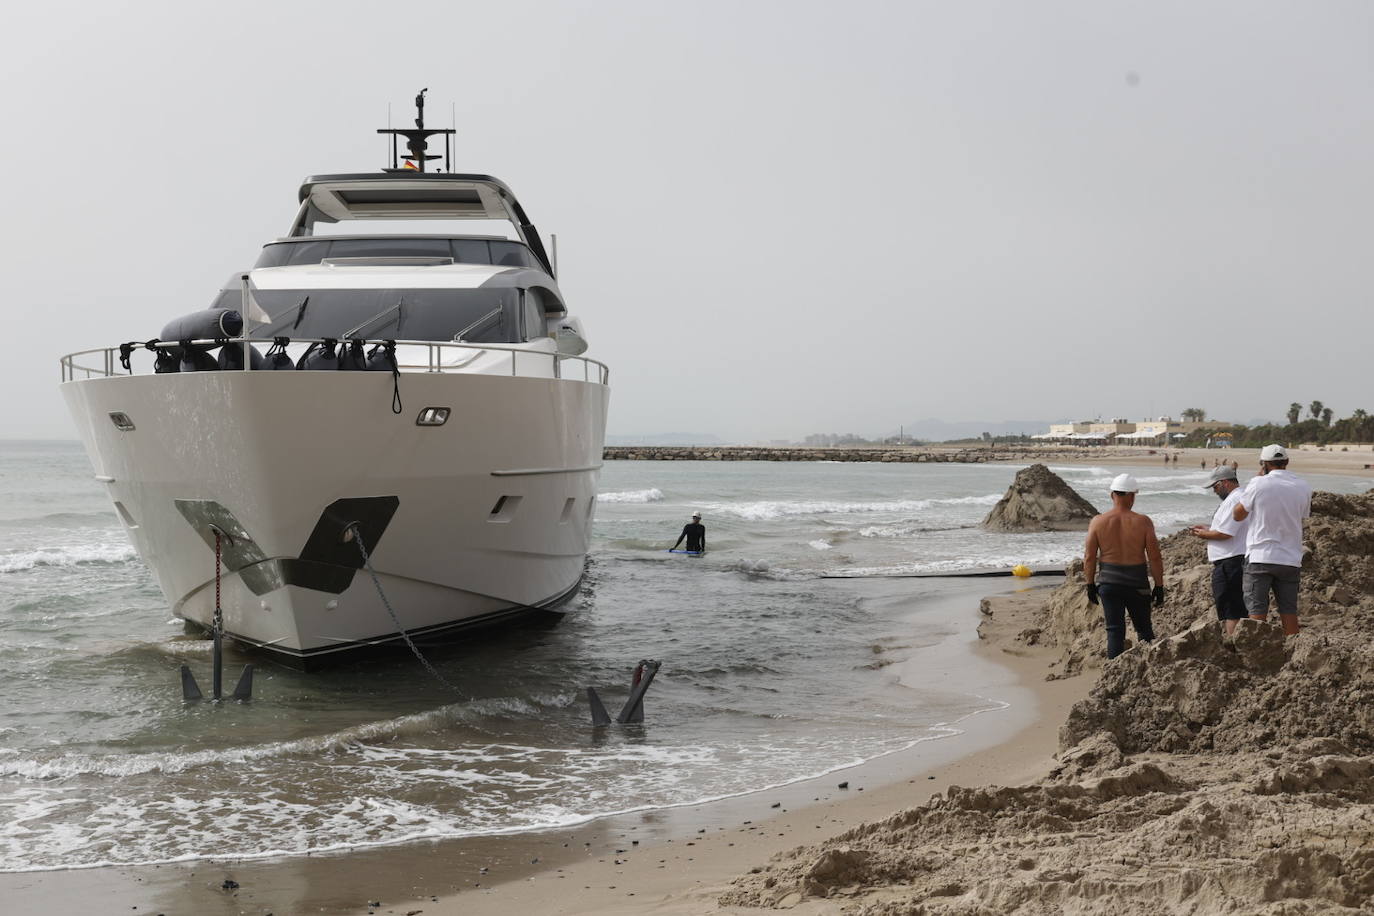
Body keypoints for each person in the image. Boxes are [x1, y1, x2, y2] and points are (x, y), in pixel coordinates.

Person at [1083, 474, 1165, 659]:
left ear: (1112, 495)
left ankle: (1113, 673)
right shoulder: (1143, 522)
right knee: (1144, 630)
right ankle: (1149, 670)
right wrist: (1159, 586)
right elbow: (1154, 557)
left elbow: (1089, 557)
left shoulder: (1098, 521)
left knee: (1114, 631)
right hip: (1137, 585)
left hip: (1109, 585)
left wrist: (1089, 584)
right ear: (1132, 496)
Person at [1233, 444, 1311, 635]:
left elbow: (1238, 515)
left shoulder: (1258, 483)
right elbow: (1302, 514)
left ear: (1264, 464)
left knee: (1257, 613)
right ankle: (1293, 653)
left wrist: (1257, 481)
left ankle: (1256, 655)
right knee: (1289, 612)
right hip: (1290, 557)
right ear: (1287, 462)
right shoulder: (1303, 486)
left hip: (1261, 556)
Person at [1189, 465, 1251, 635]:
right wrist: (1209, 528)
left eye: (1215, 487)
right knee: (1235, 607)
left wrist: (1204, 534)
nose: (1214, 491)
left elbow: (1226, 533)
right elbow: (1228, 528)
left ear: (1224, 483)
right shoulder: (1239, 496)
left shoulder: (1233, 499)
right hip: (1234, 559)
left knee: (1232, 610)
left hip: (1230, 562)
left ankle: (1233, 643)